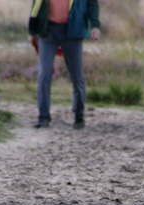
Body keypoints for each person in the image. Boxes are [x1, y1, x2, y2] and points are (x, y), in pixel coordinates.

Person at [28, 0, 101, 129]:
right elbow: (36, 5)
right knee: (44, 74)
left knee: (77, 77)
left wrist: (95, 25)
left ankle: (79, 116)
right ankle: (43, 117)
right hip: (48, 30)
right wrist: (32, 30)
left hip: (73, 30)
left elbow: (92, 3)